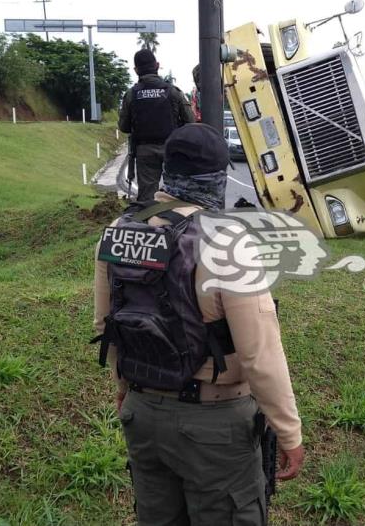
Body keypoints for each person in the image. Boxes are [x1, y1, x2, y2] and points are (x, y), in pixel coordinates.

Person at [93, 123, 304, 525]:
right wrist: (288, 432)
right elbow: (259, 353)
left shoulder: (119, 231)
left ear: (168, 170)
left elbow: (109, 325)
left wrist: (124, 389)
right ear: (218, 177)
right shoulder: (227, 242)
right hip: (214, 424)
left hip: (142, 413)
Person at [119, 49, 194, 202]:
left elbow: (124, 127)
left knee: (147, 197)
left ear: (136, 70)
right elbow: (191, 121)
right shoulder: (173, 92)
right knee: (174, 194)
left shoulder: (131, 94)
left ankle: (149, 223)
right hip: (172, 149)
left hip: (144, 150)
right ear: (157, 65)